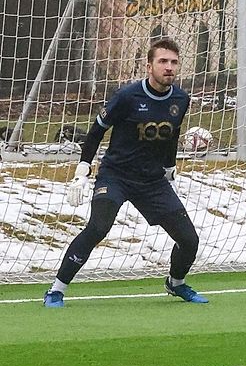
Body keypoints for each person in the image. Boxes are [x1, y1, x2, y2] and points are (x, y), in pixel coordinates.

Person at [43, 38, 207, 307]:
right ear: (149, 66)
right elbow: (96, 132)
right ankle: (56, 290)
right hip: (115, 176)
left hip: (152, 181)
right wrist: (83, 169)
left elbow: (172, 135)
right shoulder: (127, 96)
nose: (169, 67)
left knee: (189, 240)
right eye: (162, 61)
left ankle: (176, 284)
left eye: (174, 62)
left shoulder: (180, 99)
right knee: (98, 227)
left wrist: (169, 168)